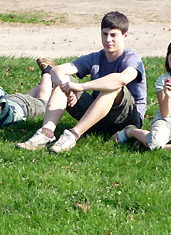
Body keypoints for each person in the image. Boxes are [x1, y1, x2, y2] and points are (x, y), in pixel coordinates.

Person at [16, 11, 147, 153]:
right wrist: (68, 87)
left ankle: (72, 135)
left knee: (113, 87)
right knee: (64, 81)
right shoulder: (96, 57)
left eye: (113, 35)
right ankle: (46, 134)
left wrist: (80, 87)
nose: (108, 39)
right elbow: (56, 71)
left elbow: (122, 79)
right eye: (104, 34)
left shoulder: (131, 57)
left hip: (127, 120)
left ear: (125, 36)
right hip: (98, 117)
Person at [112, 37, 171, 153]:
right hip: (165, 123)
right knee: (155, 142)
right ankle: (131, 131)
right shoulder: (162, 81)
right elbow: (165, 113)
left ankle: (149, 144)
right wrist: (168, 95)